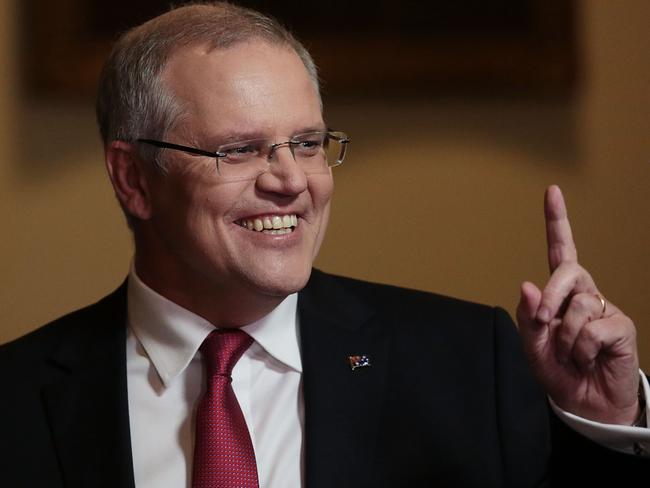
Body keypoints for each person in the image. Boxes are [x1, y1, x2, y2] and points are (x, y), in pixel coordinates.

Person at [1, 2, 648, 487]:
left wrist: (605, 424)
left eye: (307, 144)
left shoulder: (468, 362)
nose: (290, 182)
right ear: (134, 178)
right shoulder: (16, 399)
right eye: (240, 150)